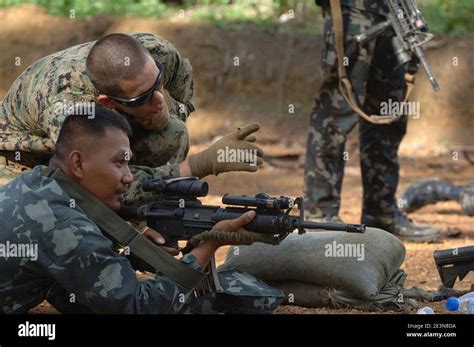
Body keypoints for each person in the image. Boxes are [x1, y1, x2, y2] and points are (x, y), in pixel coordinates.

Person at [0, 106, 283, 314]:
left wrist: (130, 251)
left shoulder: (38, 183)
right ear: (78, 164)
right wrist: (209, 245)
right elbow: (136, 307)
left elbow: (71, 288)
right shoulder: (61, 223)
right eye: (119, 163)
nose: (128, 176)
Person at [0, 33, 263, 204]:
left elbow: (182, 104)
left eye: (157, 83)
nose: (158, 100)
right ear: (109, 103)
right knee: (64, 208)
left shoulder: (160, 53)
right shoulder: (71, 109)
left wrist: (158, 116)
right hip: (24, 162)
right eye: (142, 97)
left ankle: (152, 220)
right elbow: (90, 182)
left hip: (104, 131)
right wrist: (200, 164)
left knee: (173, 134)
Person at [303, 0, 439, 242]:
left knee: (389, 112)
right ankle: (320, 216)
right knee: (336, 109)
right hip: (352, 9)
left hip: (395, 11)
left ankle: (380, 212)